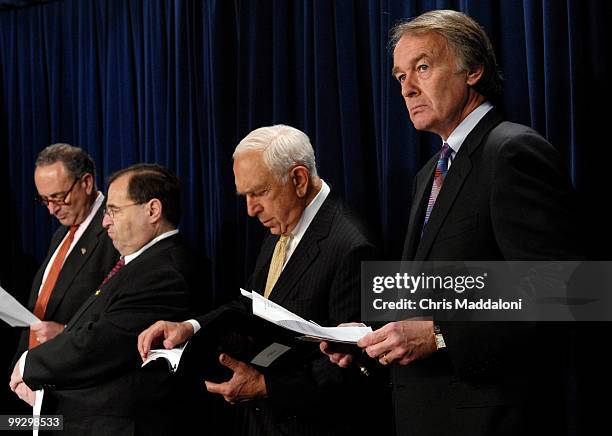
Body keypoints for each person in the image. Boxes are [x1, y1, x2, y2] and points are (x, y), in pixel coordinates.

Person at [322, 9, 582, 436]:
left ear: (473, 70)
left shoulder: (513, 152)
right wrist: (370, 336)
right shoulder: (431, 172)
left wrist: (442, 334)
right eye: (399, 75)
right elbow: (436, 296)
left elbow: (566, 288)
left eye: (422, 67)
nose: (407, 88)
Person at [138, 125, 389, 435]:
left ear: (297, 179)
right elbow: (257, 305)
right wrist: (190, 326)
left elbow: (352, 365)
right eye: (245, 195)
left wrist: (265, 386)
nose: (250, 209)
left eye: (258, 192)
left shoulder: (353, 245)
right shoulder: (283, 223)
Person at [9, 163, 196, 435]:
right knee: (7, 424)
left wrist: (30, 364)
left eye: (114, 211)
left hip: (111, 422)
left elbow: (103, 343)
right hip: (65, 407)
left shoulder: (163, 272)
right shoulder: (138, 263)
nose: (106, 221)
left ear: (153, 211)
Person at [9, 143, 118, 409]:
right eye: (45, 200)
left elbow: (115, 316)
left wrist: (67, 333)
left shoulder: (114, 231)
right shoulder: (62, 233)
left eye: (58, 197)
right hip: (32, 388)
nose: (51, 209)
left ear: (87, 182)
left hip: (73, 395)